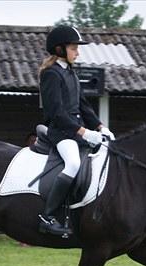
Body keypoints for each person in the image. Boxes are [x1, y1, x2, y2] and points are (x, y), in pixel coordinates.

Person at [37, 25, 114, 236]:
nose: (77, 52)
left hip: (75, 131)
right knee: (73, 164)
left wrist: (100, 126)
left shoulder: (70, 72)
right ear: (60, 49)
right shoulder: (51, 74)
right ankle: (48, 216)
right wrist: (83, 132)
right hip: (61, 133)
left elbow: (83, 105)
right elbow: (56, 113)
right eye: (73, 48)